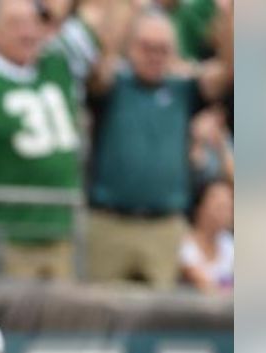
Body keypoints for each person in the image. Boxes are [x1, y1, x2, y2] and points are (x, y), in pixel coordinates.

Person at [0, 0, 115, 280]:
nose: (28, 32)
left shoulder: (59, 62)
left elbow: (106, 20)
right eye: (15, 24)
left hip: (61, 233)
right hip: (6, 237)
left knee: (66, 319)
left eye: (34, 23)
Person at [86, 6, 233, 288]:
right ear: (131, 47)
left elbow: (226, 70)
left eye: (163, 49)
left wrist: (231, 18)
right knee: (101, 316)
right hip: (109, 223)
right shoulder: (114, 85)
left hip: (164, 227)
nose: (154, 55)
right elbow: (100, 64)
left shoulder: (183, 90)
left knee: (159, 316)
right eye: (146, 47)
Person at [179, 180, 233, 294]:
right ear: (200, 207)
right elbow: (203, 283)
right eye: (218, 206)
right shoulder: (183, 244)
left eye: (228, 207)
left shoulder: (229, 244)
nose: (224, 213)